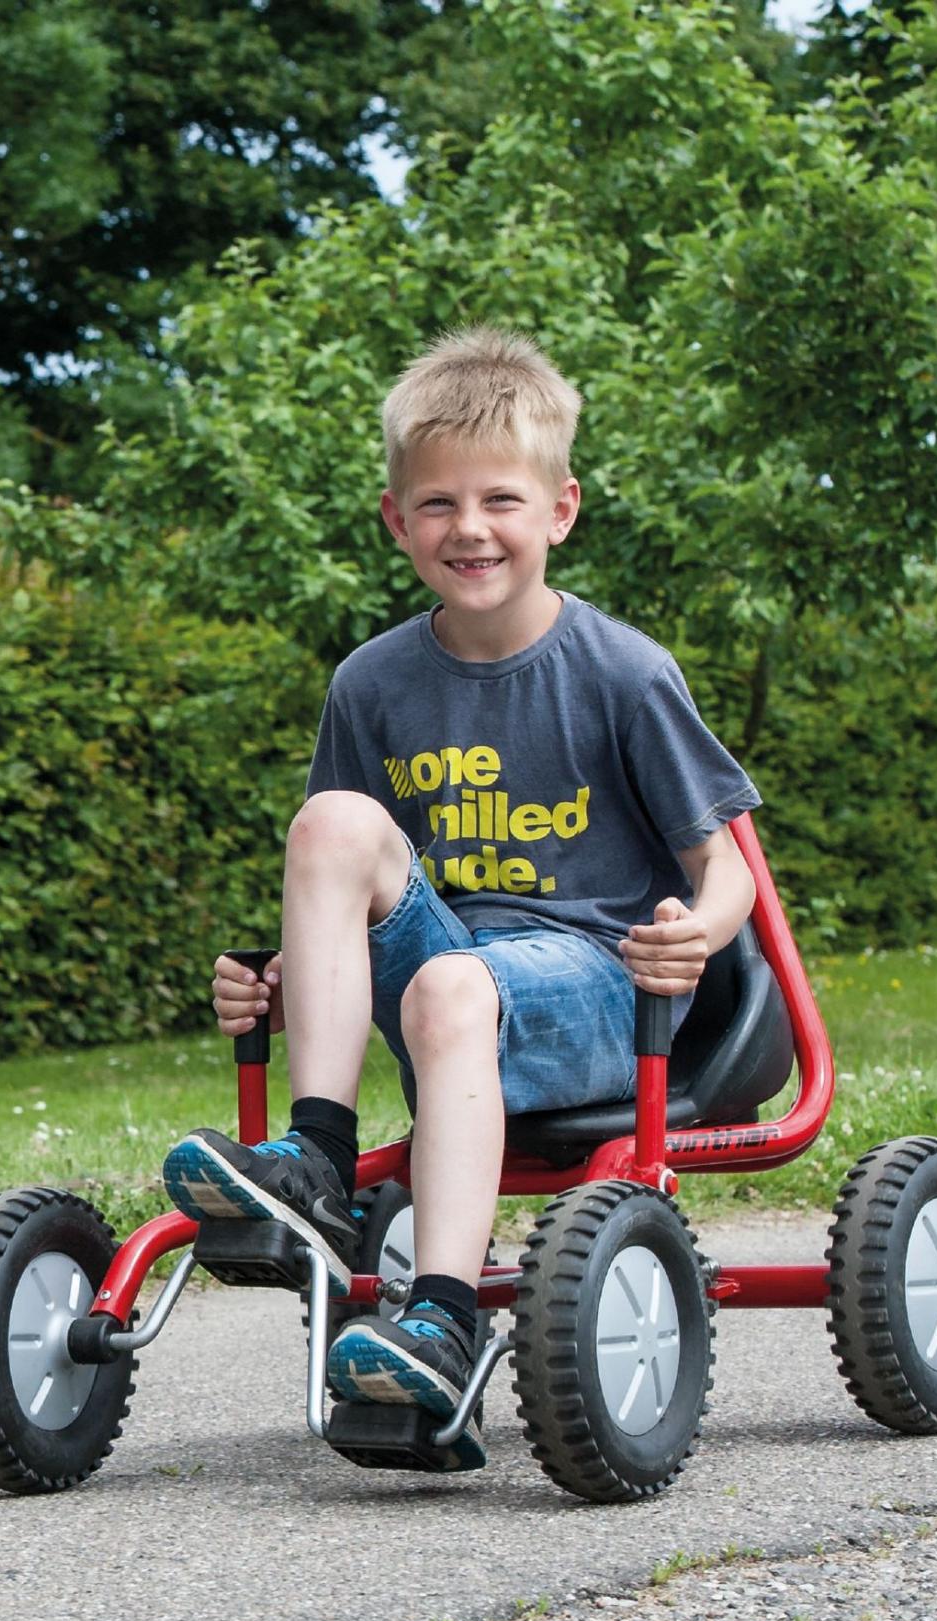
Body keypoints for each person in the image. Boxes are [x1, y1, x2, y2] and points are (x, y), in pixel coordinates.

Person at [163, 327, 759, 1467]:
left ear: (560, 510)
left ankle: (438, 1314)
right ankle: (318, 1158)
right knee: (331, 823)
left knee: (448, 981)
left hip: (593, 986)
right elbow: (348, 873)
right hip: (452, 981)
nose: (468, 529)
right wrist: (284, 977)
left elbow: (724, 860)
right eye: (436, 504)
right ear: (396, 522)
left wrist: (702, 932)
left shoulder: (621, 672)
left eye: (499, 499)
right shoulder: (373, 682)